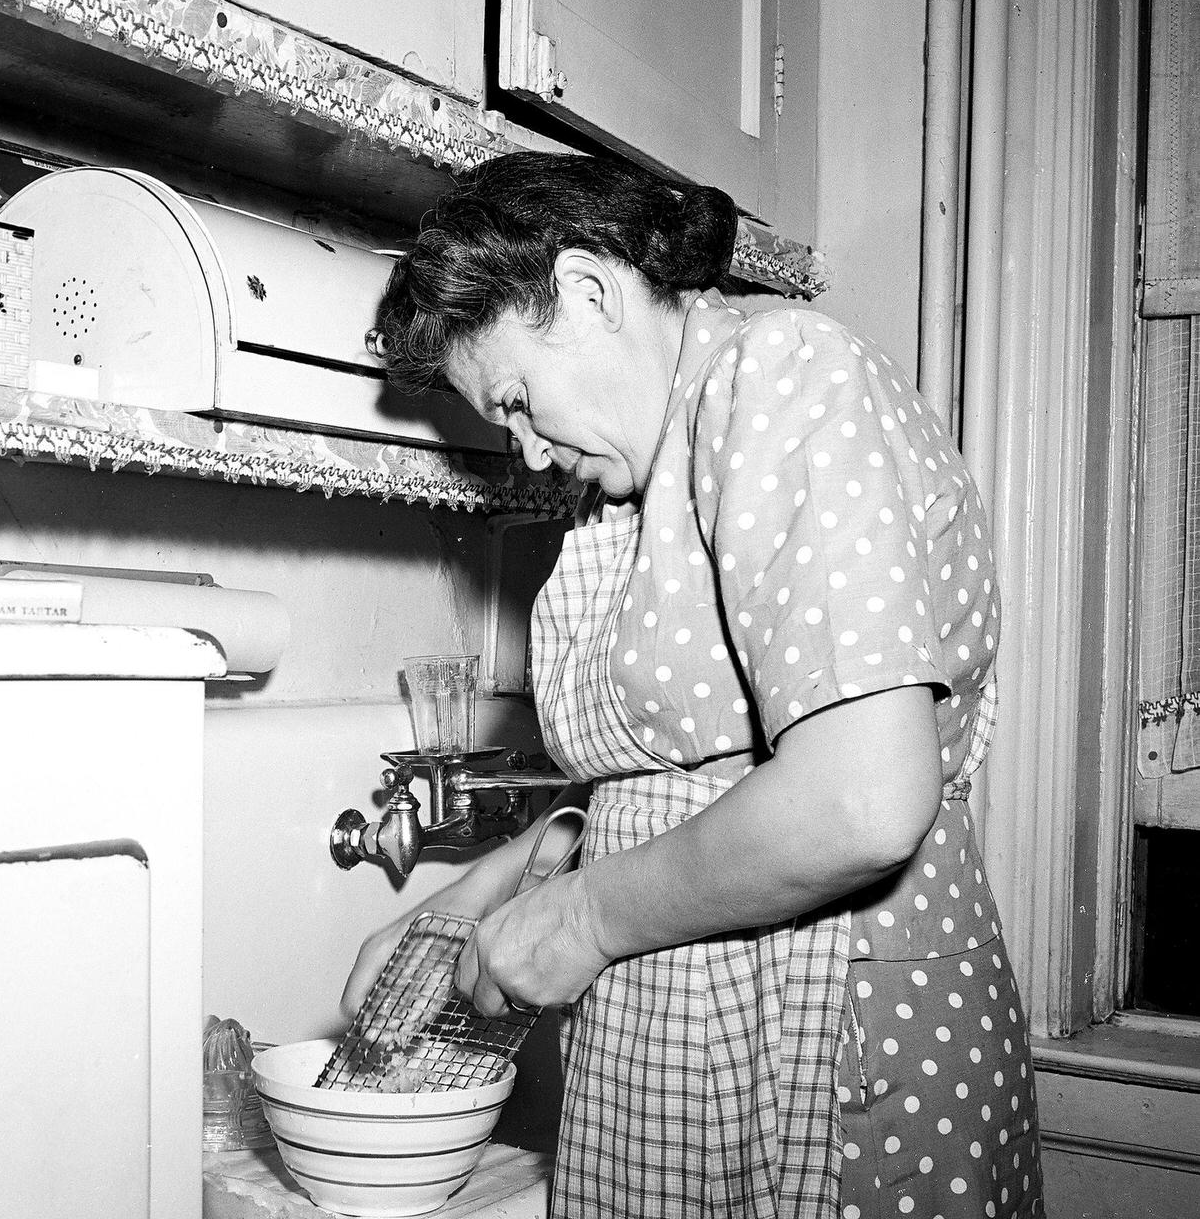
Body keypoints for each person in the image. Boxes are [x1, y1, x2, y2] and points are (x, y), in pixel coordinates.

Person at [339, 152, 1044, 1219]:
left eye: (519, 400)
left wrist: (580, 919)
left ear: (587, 290)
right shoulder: (633, 476)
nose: (525, 453)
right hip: (685, 1040)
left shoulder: (779, 373)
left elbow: (859, 797)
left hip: (816, 1021)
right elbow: (680, 784)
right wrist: (479, 891)